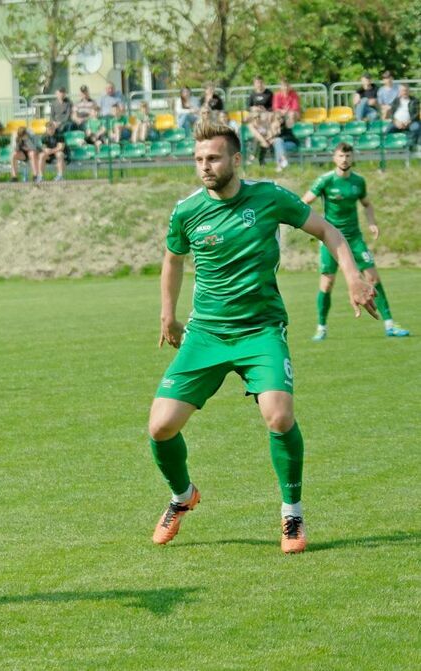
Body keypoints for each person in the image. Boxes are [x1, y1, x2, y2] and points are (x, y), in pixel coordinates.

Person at [147, 121, 377, 555]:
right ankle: (182, 496)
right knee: (160, 428)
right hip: (207, 333)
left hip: (260, 329)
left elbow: (329, 231)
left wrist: (352, 278)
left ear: (236, 159)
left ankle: (292, 513)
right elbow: (173, 260)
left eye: (213, 158)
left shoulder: (270, 197)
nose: (204, 166)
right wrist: (168, 316)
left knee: (278, 416)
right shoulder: (187, 211)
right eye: (198, 159)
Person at [303, 144, 409, 340]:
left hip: (354, 238)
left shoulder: (358, 181)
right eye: (341, 155)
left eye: (348, 155)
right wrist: (311, 226)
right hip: (330, 239)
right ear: (334, 158)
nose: (344, 159)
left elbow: (367, 204)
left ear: (352, 158)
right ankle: (321, 327)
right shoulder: (325, 180)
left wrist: (372, 223)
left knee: (373, 279)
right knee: (326, 284)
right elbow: (304, 203)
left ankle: (389, 325)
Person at [385, 84, 420, 149]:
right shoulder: (395, 101)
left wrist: (409, 121)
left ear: (409, 91)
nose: (404, 92)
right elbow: (392, 113)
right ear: (399, 92)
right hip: (397, 122)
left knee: (416, 128)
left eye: (406, 90)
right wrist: (396, 121)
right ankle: (392, 147)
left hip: (411, 122)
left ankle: (411, 146)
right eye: (402, 90)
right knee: (388, 130)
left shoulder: (414, 100)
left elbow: (416, 114)